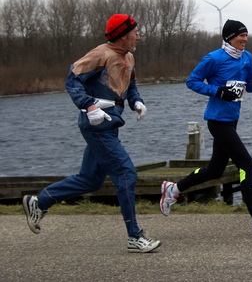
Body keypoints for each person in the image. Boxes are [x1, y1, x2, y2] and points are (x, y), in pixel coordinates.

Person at [22, 14, 161, 252]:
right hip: (97, 126)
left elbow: (131, 85)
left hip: (111, 126)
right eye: (135, 32)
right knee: (127, 174)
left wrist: (136, 102)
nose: (138, 36)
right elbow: (72, 81)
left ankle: (39, 202)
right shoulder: (100, 54)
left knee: (90, 179)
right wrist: (88, 105)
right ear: (122, 34)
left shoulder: (128, 56)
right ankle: (134, 236)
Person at [159, 19, 252, 235]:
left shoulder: (247, 57)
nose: (245, 39)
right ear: (229, 37)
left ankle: (173, 188)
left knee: (215, 170)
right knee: (247, 164)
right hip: (217, 121)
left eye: (246, 35)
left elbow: (249, 86)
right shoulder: (213, 58)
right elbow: (192, 81)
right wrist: (217, 91)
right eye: (241, 35)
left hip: (233, 120)